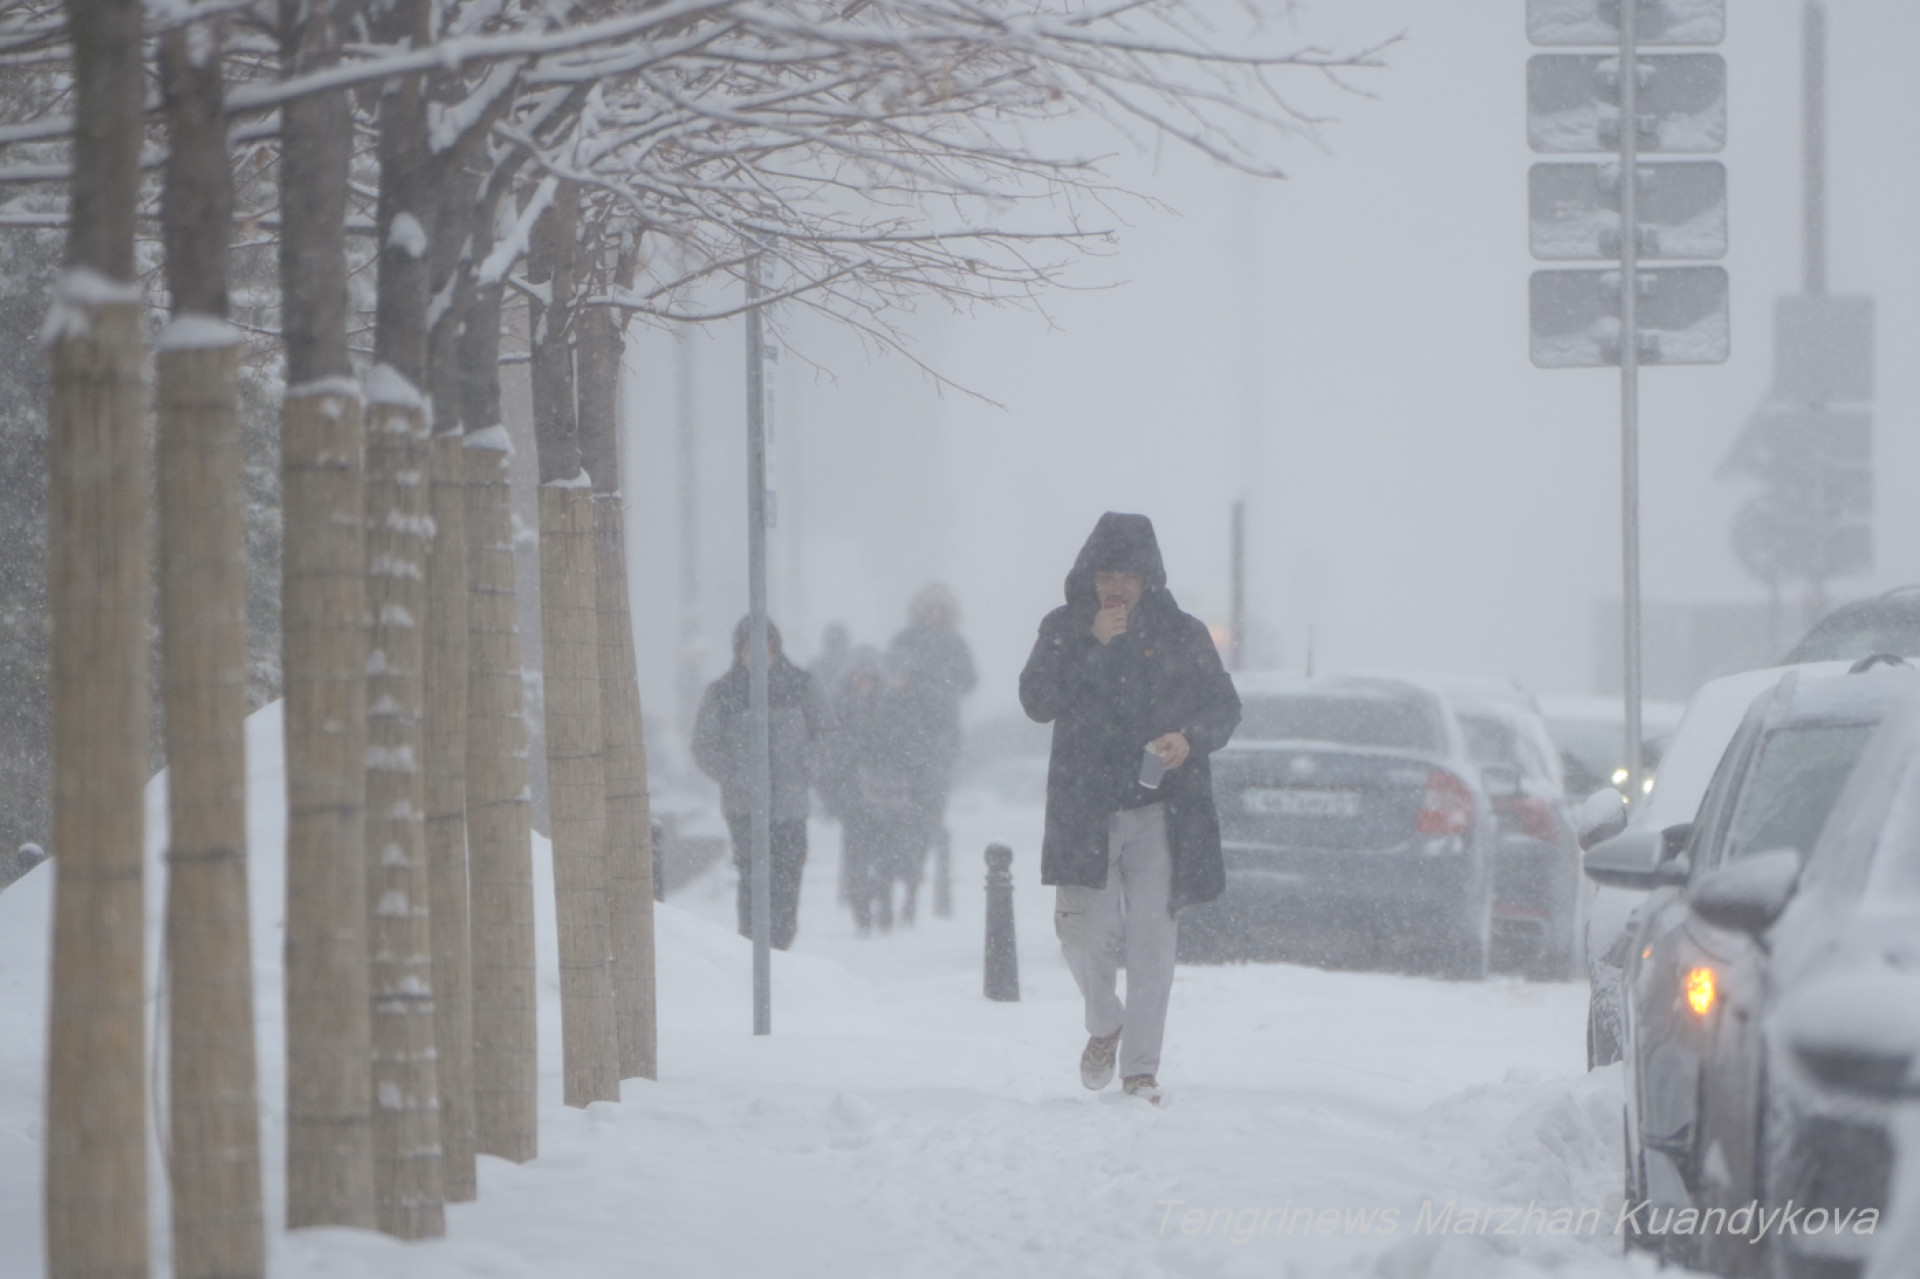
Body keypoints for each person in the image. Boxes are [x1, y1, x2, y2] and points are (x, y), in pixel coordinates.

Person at [1018, 512, 1241, 1104]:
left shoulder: (1182, 634)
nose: (1115, 586)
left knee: (1152, 941)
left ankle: (1140, 1068)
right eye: (1105, 574)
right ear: (1089, 576)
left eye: (1128, 575)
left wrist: (1187, 738)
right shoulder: (1065, 627)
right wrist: (1091, 642)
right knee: (1081, 935)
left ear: (1150, 579)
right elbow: (1037, 700)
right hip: (1084, 806)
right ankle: (1104, 1022)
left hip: (1162, 809)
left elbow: (1224, 707)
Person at [692, 616, 822, 950]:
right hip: (744, 808)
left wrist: (806, 767)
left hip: (790, 806)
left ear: (775, 648)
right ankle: (752, 948)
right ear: (739, 652)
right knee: (752, 879)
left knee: (788, 876)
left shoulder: (801, 685)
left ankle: (781, 945)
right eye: (748, 649)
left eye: (763, 647)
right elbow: (705, 745)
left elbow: (827, 736)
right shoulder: (723, 692)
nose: (756, 655)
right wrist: (734, 773)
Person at [886, 583, 977, 922]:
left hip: (939, 741)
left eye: (940, 609)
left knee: (929, 816)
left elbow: (970, 679)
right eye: (929, 608)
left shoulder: (955, 644)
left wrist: (941, 686)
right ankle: (903, 877)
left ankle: (914, 884)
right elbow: (888, 677)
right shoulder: (904, 640)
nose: (934, 615)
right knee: (901, 816)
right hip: (906, 741)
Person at [819, 646, 919, 935]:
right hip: (852, 797)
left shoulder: (889, 707)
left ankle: (884, 904)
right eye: (860, 677)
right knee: (857, 857)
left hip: (882, 795)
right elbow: (830, 754)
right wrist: (833, 793)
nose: (865, 683)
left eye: (870, 678)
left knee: (886, 853)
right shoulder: (839, 707)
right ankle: (861, 911)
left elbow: (903, 746)